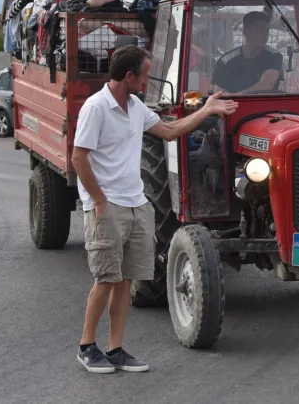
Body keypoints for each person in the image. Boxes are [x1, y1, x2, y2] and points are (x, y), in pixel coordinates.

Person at [72, 44, 237, 374]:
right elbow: (79, 157)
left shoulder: (136, 107)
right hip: (108, 206)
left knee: (125, 281)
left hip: (136, 203)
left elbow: (171, 131)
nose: (148, 82)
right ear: (129, 76)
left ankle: (115, 349)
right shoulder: (96, 108)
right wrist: (99, 200)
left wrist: (207, 110)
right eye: (145, 76)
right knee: (105, 279)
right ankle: (87, 347)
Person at [210, 10, 284, 94]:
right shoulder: (226, 61)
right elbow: (219, 96)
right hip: (235, 106)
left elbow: (266, 85)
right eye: (259, 30)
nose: (265, 34)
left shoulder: (273, 56)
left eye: (267, 30)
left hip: (267, 106)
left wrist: (237, 96)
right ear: (246, 31)